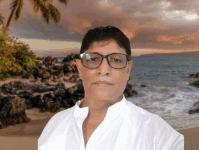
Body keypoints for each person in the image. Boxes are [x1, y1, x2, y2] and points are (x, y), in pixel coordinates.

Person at [38, 26, 184, 150]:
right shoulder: (55, 125)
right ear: (80, 68)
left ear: (128, 70)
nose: (103, 70)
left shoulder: (160, 136)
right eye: (93, 59)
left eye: (116, 60)